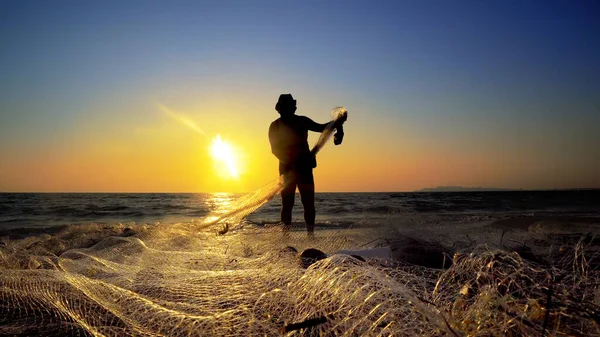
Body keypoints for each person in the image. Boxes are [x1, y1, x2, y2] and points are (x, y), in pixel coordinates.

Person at [268, 94, 344, 236]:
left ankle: (311, 235)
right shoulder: (275, 126)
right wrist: (291, 163)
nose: (289, 109)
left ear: (293, 108)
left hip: (305, 168)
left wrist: (337, 123)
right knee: (287, 203)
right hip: (287, 169)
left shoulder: (302, 121)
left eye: (291, 106)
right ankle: (286, 237)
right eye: (286, 107)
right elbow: (275, 150)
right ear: (280, 109)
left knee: (308, 202)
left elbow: (322, 128)